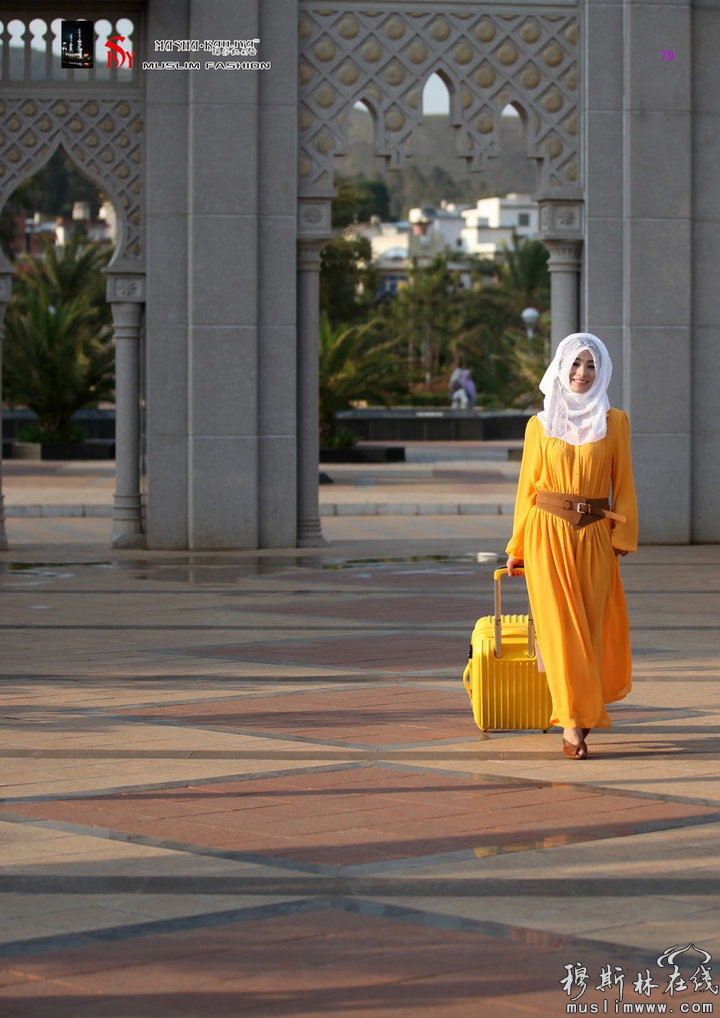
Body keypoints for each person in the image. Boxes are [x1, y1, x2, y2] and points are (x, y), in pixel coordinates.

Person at [505, 333, 638, 760]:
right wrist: (517, 545)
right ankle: (571, 723)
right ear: (561, 368)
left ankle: (579, 712)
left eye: (591, 365)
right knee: (560, 632)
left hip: (596, 534)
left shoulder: (614, 421)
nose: (582, 373)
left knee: (592, 629)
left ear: (602, 372)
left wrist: (622, 536)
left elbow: (625, 484)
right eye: (576, 364)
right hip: (546, 534)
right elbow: (527, 489)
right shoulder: (538, 424)